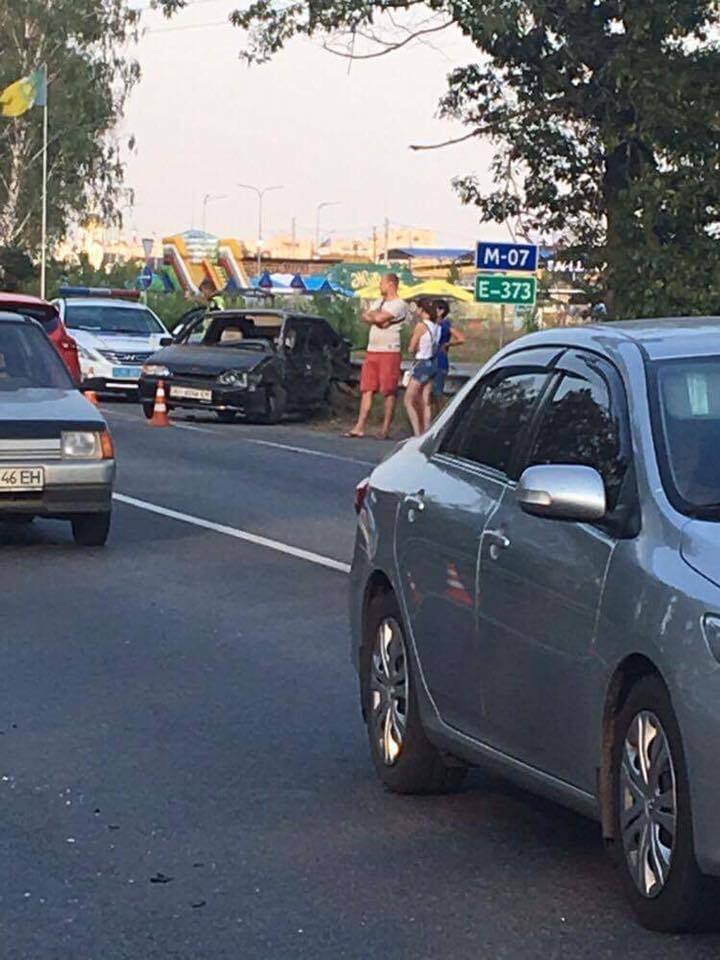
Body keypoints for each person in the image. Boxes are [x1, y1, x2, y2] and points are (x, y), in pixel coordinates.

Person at [345, 273, 408, 439]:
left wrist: (376, 317)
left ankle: (385, 429)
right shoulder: (378, 302)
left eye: (382, 283)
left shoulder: (399, 304)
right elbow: (368, 316)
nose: (380, 286)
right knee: (367, 388)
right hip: (372, 349)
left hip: (389, 350)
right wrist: (377, 319)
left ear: (391, 284)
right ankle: (360, 426)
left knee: (388, 390)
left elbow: (381, 318)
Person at [404, 297, 441, 437]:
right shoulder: (436, 327)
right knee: (425, 400)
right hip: (432, 363)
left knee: (409, 399)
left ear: (421, 309)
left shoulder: (421, 326)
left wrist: (413, 348)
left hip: (421, 362)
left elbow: (411, 348)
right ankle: (427, 431)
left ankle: (417, 432)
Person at [432, 298, 465, 419]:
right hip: (430, 359)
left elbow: (461, 338)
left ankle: (442, 417)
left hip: (440, 360)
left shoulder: (444, 325)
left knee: (438, 392)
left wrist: (447, 344)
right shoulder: (430, 323)